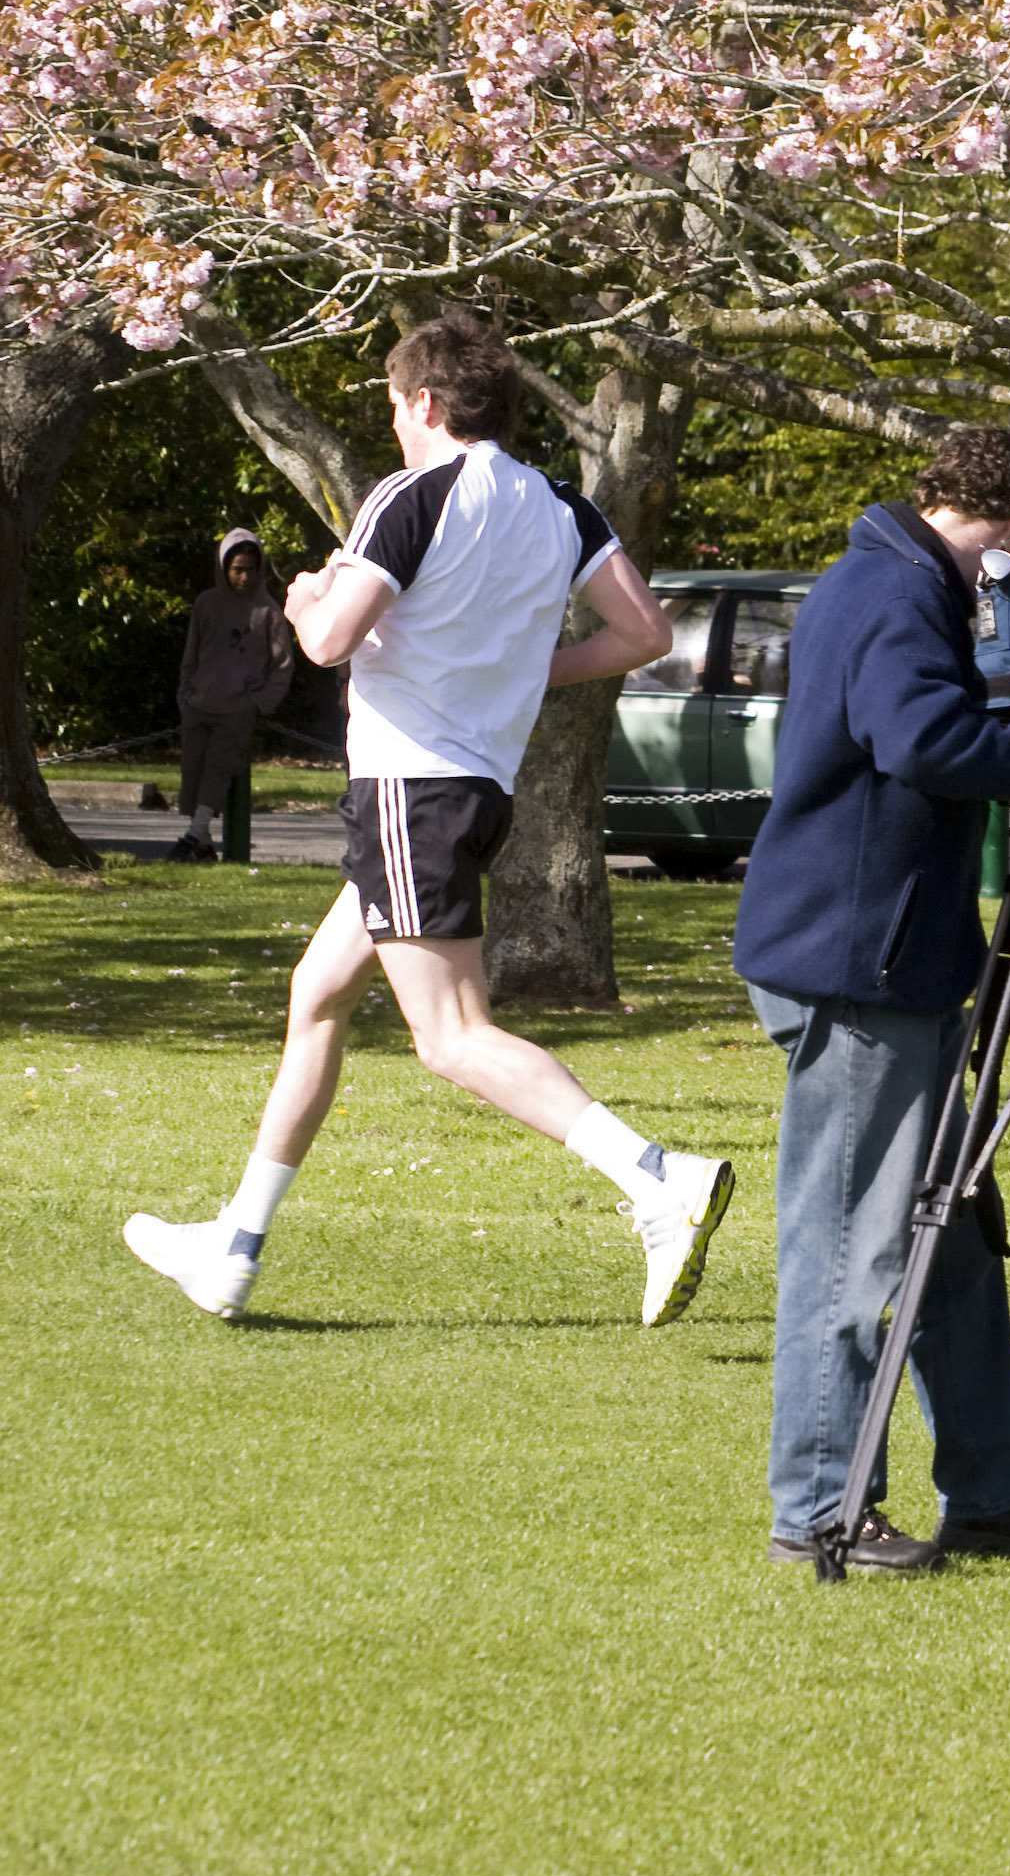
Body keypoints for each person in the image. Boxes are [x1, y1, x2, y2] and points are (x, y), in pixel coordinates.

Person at [124, 310, 734, 1328]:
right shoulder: (559, 506)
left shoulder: (407, 495)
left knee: (451, 1036)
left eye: (395, 410)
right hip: (473, 791)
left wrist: (310, 588)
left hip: (410, 790)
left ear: (423, 402)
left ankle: (657, 1177)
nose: (393, 429)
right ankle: (233, 1248)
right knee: (315, 993)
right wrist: (534, 669)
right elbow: (643, 633)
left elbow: (325, 644)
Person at [732, 425, 1010, 1573]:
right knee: (853, 1244)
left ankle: (997, 1492)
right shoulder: (895, 592)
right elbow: (918, 739)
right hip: (861, 965)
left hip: (876, 953)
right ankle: (818, 1510)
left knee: (946, 1235)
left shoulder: (883, 580)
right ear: (1008, 523)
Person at [169, 530, 295, 861]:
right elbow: (191, 654)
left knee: (219, 768)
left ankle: (193, 836)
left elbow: (282, 665)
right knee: (193, 770)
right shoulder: (206, 604)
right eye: (237, 569)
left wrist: (261, 702)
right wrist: (186, 693)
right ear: (224, 568)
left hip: (238, 707)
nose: (244, 577)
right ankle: (205, 844)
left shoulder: (268, 611)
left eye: (250, 569)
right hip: (199, 702)